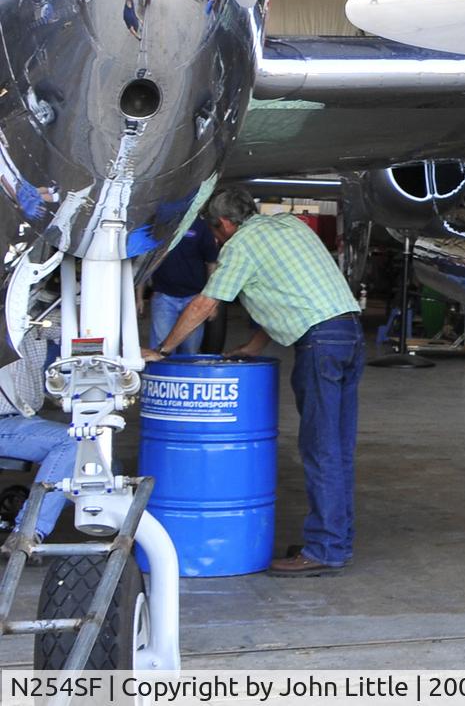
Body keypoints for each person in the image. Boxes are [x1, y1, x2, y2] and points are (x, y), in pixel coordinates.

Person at [144, 190, 363, 577]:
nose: (217, 239)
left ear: (225, 224)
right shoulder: (288, 226)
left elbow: (205, 304)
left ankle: (326, 548)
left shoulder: (240, 245)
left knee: (321, 449)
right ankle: (335, 541)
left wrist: (163, 349)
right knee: (337, 448)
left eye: (216, 232)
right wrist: (252, 346)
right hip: (348, 335)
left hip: (319, 346)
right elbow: (287, 296)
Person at [0, 307, 75, 549]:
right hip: (5, 420)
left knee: (100, 461)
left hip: (20, 418)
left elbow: (77, 330)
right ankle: (26, 532)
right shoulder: (14, 315)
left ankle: (33, 511)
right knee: (72, 442)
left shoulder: (34, 313)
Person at [146, 217, 220, 356]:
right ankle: (163, 377)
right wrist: (140, 295)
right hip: (164, 296)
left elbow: (211, 262)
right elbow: (145, 259)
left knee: (190, 353)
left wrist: (212, 302)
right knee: (160, 352)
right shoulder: (160, 224)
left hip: (194, 299)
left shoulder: (200, 225)